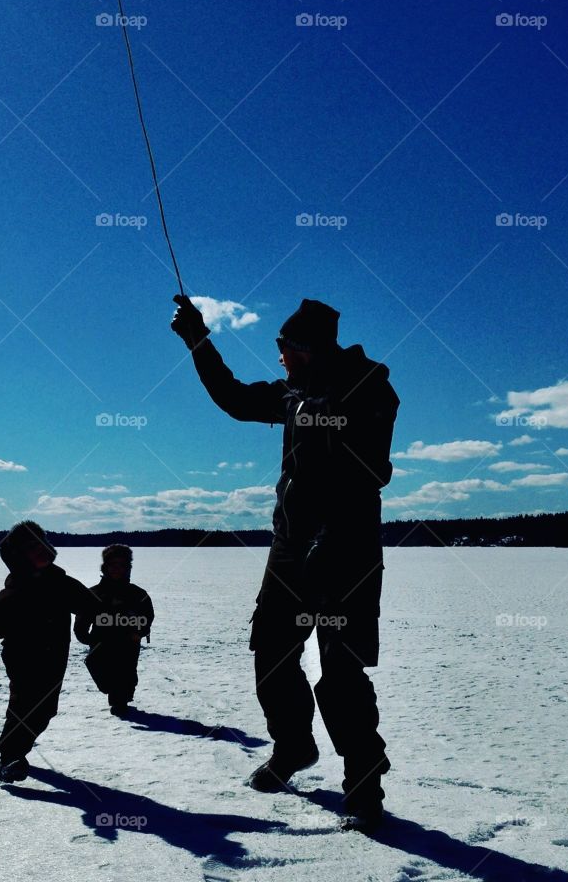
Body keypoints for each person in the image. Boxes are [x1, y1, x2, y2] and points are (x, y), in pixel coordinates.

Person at [171, 295, 399, 830]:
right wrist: (200, 342)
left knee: (341, 672)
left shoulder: (369, 387)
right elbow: (232, 398)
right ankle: (294, 747)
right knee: (271, 654)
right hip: (290, 549)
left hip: (347, 552)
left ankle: (365, 787)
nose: (279, 358)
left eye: (285, 348)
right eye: (278, 347)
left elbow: (372, 470)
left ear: (310, 348)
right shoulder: (293, 394)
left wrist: (332, 535)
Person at [0, 521, 97, 783]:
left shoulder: (61, 583)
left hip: (54, 657)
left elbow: (90, 604)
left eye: (41, 544)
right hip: (22, 657)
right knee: (23, 705)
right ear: (19, 555)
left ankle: (17, 752)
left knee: (46, 709)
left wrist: (85, 627)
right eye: (31, 547)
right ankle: (9, 758)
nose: (39, 550)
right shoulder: (15, 589)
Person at [74, 544, 154, 717]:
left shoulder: (137, 594)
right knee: (100, 671)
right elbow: (83, 617)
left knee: (125, 673)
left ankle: (120, 701)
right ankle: (116, 695)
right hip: (101, 641)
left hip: (128, 642)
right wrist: (85, 636)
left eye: (121, 565)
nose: (117, 569)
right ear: (105, 567)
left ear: (128, 568)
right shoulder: (94, 593)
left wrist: (139, 632)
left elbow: (147, 616)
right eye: (113, 564)